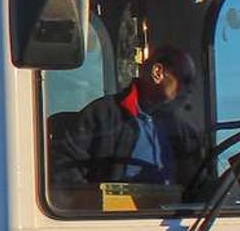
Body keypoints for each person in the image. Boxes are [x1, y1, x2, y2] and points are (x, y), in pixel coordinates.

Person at [51, 45, 207, 192]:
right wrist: (92, 206)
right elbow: (64, 166)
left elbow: (197, 187)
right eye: (185, 80)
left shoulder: (184, 132)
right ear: (158, 72)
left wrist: (229, 179)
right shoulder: (102, 114)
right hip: (117, 219)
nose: (191, 89)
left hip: (172, 218)